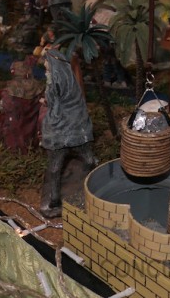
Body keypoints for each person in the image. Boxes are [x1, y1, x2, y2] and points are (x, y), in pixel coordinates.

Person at [39, 49, 97, 218]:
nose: (44, 64)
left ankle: (54, 199)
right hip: (78, 129)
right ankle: (92, 184)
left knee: (55, 168)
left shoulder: (54, 81)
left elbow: (54, 106)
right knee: (88, 158)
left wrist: (45, 101)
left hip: (61, 133)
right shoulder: (71, 80)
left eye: (46, 62)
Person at [0, 60, 44, 153]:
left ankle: (17, 151)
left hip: (17, 125)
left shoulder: (10, 91)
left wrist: (1, 105)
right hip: (32, 124)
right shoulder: (37, 86)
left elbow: (7, 107)